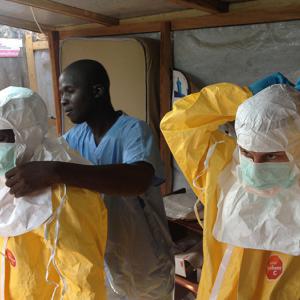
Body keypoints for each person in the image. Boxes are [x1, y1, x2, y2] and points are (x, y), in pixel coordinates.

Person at [6, 60, 174, 300]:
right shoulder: (74, 139)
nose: (63, 100)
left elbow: (138, 179)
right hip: (102, 253)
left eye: (70, 91)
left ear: (97, 91)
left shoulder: (133, 131)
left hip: (142, 255)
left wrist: (55, 171)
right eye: (60, 92)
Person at [161, 82, 300, 299]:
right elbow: (178, 124)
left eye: (271, 156)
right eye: (247, 153)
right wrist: (242, 97)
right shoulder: (223, 173)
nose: (255, 169)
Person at [0, 86, 107, 299]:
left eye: (3, 137)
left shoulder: (66, 196)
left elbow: (83, 283)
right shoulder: (7, 176)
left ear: (27, 135)